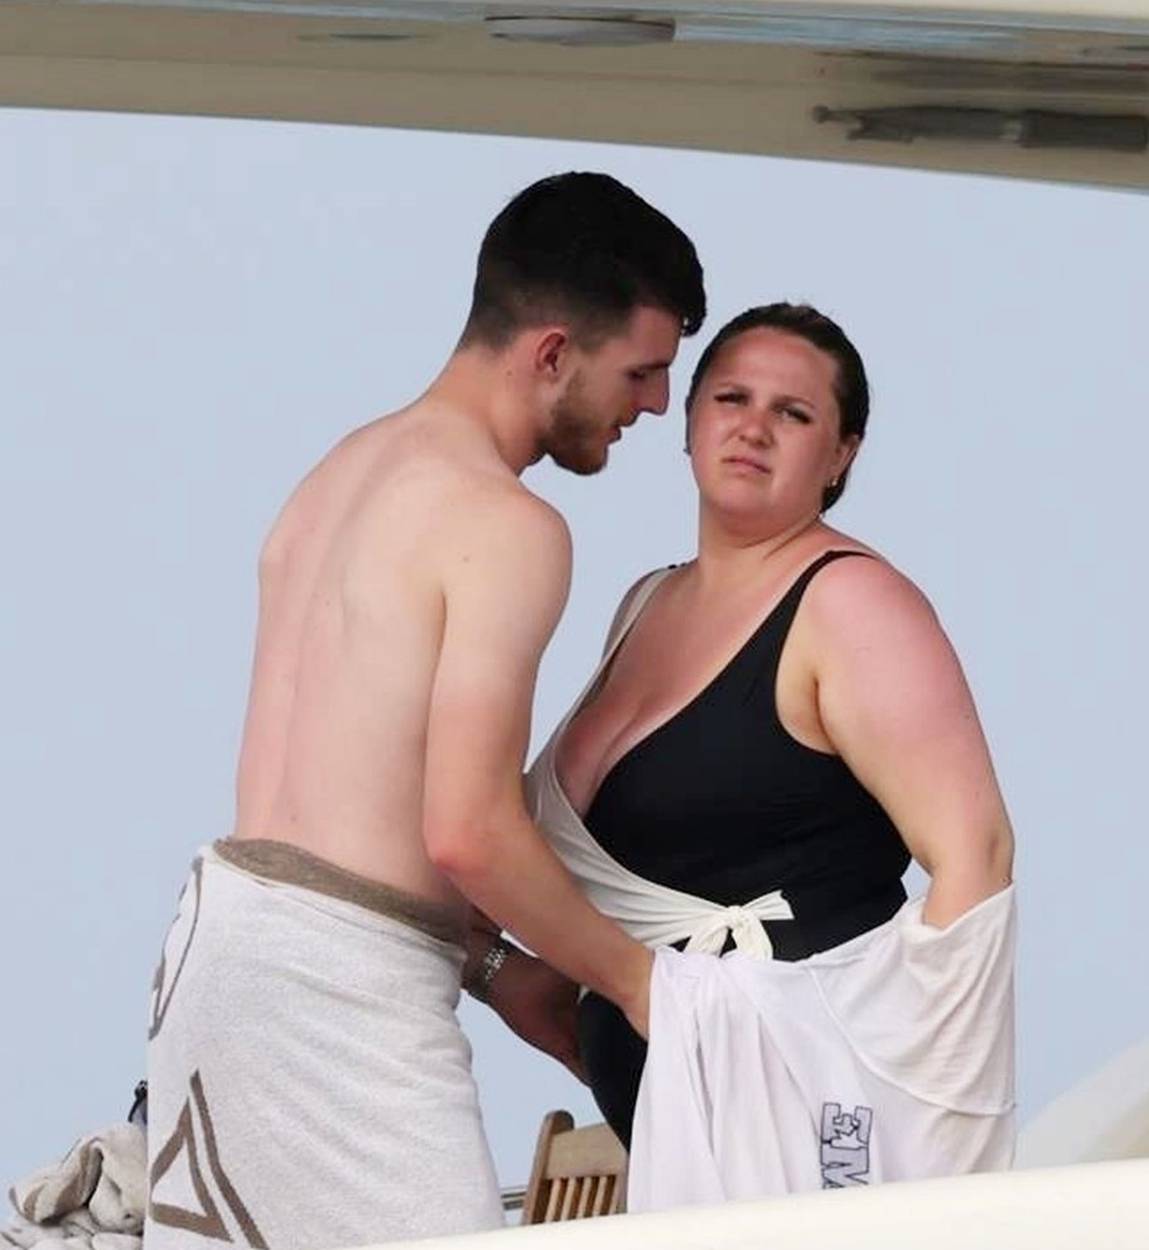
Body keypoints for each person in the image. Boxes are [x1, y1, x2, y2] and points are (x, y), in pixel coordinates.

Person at [143, 172, 705, 1250]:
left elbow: (340, 807)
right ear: (551, 353)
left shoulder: (338, 473)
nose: (652, 406)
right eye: (641, 372)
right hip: (335, 989)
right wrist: (646, 986)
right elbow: (465, 829)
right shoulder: (506, 525)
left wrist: (498, 970)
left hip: (222, 949)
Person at [524, 302, 1016, 1204]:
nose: (753, 426)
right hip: (678, 1120)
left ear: (841, 455)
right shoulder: (646, 602)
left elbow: (973, 864)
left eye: (793, 414)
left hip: (807, 1123)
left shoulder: (853, 604)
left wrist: (923, 1149)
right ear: (688, 423)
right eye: (731, 398)